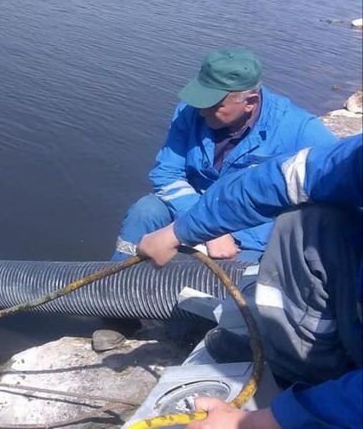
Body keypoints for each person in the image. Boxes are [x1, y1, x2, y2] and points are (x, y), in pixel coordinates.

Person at [139, 134, 362, 429]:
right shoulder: (355, 158)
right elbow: (277, 179)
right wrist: (180, 232)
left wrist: (261, 421)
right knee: (306, 223)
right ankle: (310, 378)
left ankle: (319, 405)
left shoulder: (297, 126)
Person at [111, 48, 336, 262]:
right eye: (199, 99)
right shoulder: (190, 111)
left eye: (213, 104)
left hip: (251, 231)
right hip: (193, 207)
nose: (200, 110)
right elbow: (167, 172)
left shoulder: (301, 131)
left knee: (231, 286)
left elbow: (334, 193)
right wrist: (206, 227)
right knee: (146, 210)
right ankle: (112, 284)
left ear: (250, 102)